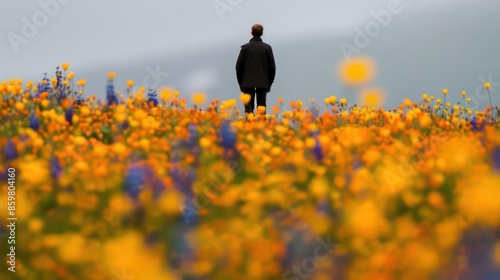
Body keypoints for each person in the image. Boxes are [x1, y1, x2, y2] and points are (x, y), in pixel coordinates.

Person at [236, 24, 276, 116]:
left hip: (247, 82)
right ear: (262, 33)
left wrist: (241, 83)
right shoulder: (267, 48)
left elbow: (239, 67)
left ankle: (249, 127)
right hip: (263, 82)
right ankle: (262, 128)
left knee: (248, 109)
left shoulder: (245, 48)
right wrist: (269, 83)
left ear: (251, 33)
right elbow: (272, 68)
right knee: (261, 107)